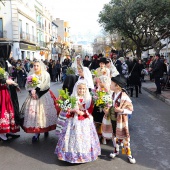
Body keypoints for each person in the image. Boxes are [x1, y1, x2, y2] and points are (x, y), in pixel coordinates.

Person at [55, 79, 101, 163]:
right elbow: (68, 109)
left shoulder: (88, 99)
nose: (81, 90)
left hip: (85, 121)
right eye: (80, 88)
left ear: (86, 89)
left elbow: (90, 110)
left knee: (84, 137)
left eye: (83, 89)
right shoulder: (73, 98)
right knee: (71, 137)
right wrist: (72, 110)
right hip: (73, 120)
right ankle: (69, 155)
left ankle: (84, 155)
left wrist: (82, 112)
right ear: (76, 89)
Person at [20, 60, 58, 142]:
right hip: (33, 97)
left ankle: (46, 129)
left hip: (43, 95)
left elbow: (46, 86)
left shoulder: (45, 74)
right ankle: (36, 133)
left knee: (45, 114)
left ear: (41, 66)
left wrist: (38, 93)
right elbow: (28, 85)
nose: (36, 67)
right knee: (34, 115)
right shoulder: (31, 74)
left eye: (37, 65)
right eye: (34, 65)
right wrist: (31, 92)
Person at [103, 75, 136, 164]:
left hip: (121, 120)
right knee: (114, 135)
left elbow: (130, 110)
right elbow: (108, 105)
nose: (110, 85)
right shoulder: (112, 94)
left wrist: (121, 110)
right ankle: (116, 150)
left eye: (112, 83)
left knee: (124, 137)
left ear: (117, 85)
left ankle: (129, 154)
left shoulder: (124, 96)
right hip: (113, 119)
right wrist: (106, 109)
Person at [0, 44, 20, 141]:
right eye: (10, 51)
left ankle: (8, 130)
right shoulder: (1, 61)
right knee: (4, 110)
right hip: (2, 90)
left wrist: (14, 85)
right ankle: (2, 132)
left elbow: (8, 76)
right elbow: (3, 77)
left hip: (8, 89)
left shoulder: (6, 61)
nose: (11, 53)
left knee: (10, 109)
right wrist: (4, 81)